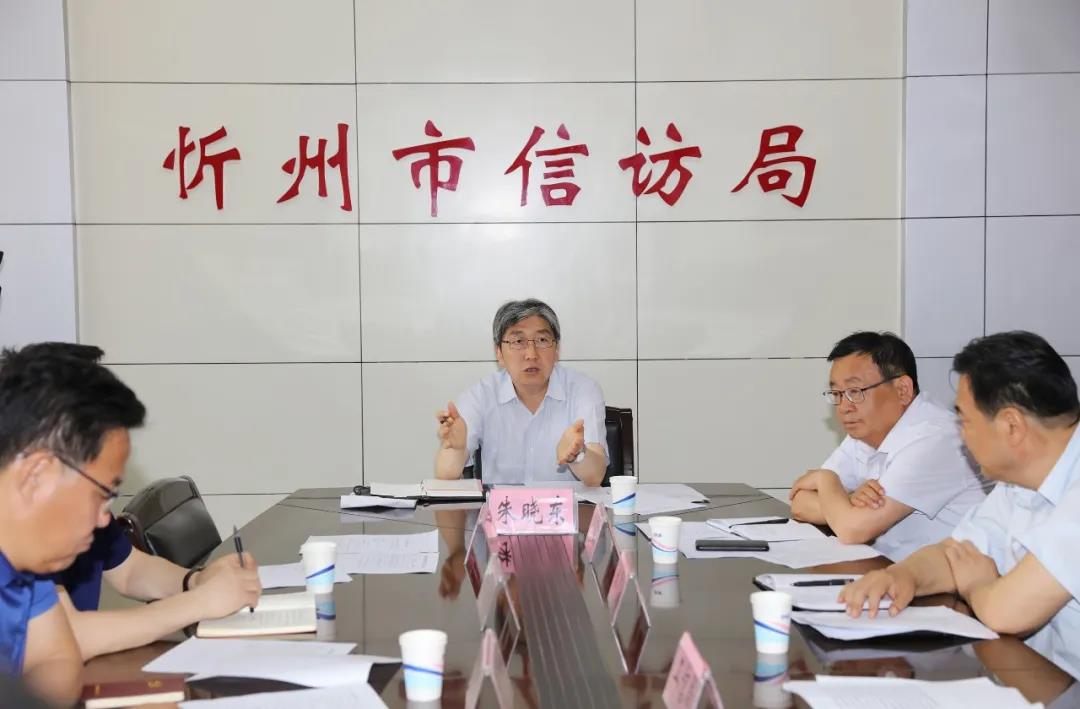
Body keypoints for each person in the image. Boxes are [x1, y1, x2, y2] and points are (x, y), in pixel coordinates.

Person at [840, 331, 1080, 680]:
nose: (962, 437)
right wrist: (900, 577)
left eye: (965, 421)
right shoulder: (1020, 481)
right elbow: (955, 553)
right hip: (1044, 679)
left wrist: (976, 586)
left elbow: (1005, 613)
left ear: (1011, 426)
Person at [17, 343, 262, 662]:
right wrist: (199, 603)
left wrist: (195, 581)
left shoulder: (76, 502)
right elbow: (64, 638)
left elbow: (129, 571)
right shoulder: (20, 532)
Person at [0, 345, 145, 704]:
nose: (104, 519)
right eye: (102, 494)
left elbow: (56, 658)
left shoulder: (28, 563)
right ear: (37, 475)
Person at [789, 332, 988, 560]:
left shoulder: (937, 438)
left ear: (902, 390)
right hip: (890, 567)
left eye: (855, 392)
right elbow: (800, 502)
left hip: (947, 576)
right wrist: (847, 503)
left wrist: (826, 480)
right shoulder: (865, 431)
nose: (844, 407)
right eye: (837, 393)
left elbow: (852, 529)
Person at [434, 299, 608, 486]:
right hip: (502, 505)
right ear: (499, 353)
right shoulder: (479, 397)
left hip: (568, 505)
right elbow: (446, 474)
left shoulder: (583, 390)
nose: (531, 354)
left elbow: (595, 475)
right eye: (518, 341)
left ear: (556, 349)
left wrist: (577, 454)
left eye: (542, 340)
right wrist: (455, 450)